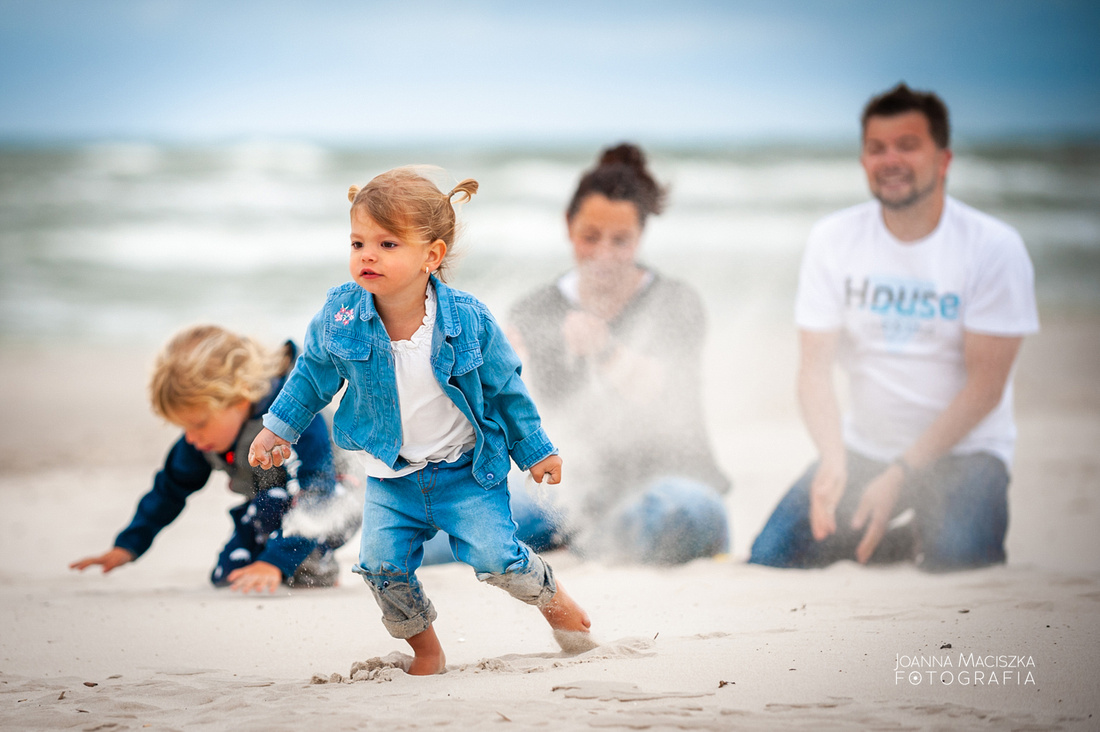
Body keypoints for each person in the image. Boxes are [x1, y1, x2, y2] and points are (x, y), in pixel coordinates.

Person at [246, 167, 594, 676]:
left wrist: (536, 449)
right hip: (391, 478)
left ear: (431, 255)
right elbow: (310, 377)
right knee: (381, 568)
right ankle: (426, 651)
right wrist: (279, 427)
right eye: (358, 241)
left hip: (464, 474)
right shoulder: (340, 316)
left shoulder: (468, 320)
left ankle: (552, 599)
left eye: (388, 244)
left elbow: (505, 388)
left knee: (496, 559)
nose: (367, 254)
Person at [749, 83, 1040, 571]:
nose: (890, 160)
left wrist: (904, 471)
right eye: (876, 148)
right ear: (863, 160)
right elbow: (814, 371)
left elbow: (987, 388)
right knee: (773, 556)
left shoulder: (993, 247)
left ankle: (930, 524)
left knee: (959, 562)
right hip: (863, 449)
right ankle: (906, 537)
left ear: (943, 159)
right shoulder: (834, 239)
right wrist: (833, 458)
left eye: (907, 145)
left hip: (966, 453)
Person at [506, 143, 731, 565]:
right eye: (590, 237)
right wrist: (495, 372)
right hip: (578, 489)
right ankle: (584, 536)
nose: (604, 254)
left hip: (674, 484)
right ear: (568, 226)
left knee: (674, 512)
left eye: (620, 241)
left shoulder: (676, 301)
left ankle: (588, 541)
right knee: (480, 512)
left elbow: (665, 399)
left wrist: (605, 351)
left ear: (641, 237)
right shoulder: (535, 310)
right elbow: (533, 420)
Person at [70, 325, 357, 592]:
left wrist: (274, 562)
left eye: (198, 424)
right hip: (269, 503)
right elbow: (169, 489)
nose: (191, 437)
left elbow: (319, 488)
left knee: (291, 558)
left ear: (239, 398)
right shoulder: (200, 440)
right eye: (184, 427)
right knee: (228, 574)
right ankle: (283, 556)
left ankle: (313, 561)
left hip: (334, 500)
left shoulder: (296, 415)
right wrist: (129, 545)